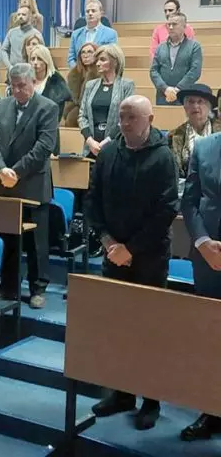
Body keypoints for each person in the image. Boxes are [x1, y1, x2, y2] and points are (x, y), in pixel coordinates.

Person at [87, 95, 178, 430]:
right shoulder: (109, 152)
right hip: (113, 254)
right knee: (118, 327)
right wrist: (108, 242)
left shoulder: (163, 157)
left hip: (150, 258)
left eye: (132, 118)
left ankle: (151, 400)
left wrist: (131, 249)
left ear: (149, 119)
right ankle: (122, 393)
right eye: (122, 117)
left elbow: (166, 211)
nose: (125, 124)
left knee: (149, 331)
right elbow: (92, 201)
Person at [0, 63, 58, 309]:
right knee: (7, 238)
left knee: (37, 243)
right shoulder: (1, 106)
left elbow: (44, 147)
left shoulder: (47, 107)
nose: (17, 91)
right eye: (13, 86)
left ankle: (38, 289)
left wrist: (15, 172)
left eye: (22, 86)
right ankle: (8, 285)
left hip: (33, 183)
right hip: (4, 183)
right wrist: (1, 170)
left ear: (33, 83)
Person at [180, 131, 221, 441]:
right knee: (211, 339)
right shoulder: (204, 147)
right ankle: (211, 411)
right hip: (208, 258)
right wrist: (202, 241)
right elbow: (189, 201)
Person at [78, 45, 134, 158]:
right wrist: (90, 141)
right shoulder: (90, 85)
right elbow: (82, 116)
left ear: (115, 62)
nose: (98, 63)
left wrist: (107, 141)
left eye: (103, 60)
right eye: (97, 60)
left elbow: (126, 118)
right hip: (91, 147)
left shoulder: (126, 85)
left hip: (116, 147)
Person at [168, 84, 220, 179]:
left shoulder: (219, 131)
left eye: (200, 102)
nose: (195, 106)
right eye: (190, 102)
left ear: (209, 107)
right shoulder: (173, 136)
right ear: (185, 107)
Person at [150, 13, 202, 105]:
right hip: (163, 95)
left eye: (174, 24)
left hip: (184, 95)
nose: (170, 27)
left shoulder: (194, 46)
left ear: (184, 26)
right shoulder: (160, 47)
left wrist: (178, 89)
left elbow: (195, 71)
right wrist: (165, 88)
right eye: (168, 24)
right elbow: (154, 71)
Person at [28, 45, 71, 154]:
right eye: (32, 59)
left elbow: (56, 115)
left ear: (46, 60)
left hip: (48, 133)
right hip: (27, 134)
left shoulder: (57, 82)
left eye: (39, 58)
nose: (35, 62)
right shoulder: (25, 81)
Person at [68, 0, 118, 67]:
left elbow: (112, 58)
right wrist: (78, 70)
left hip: (101, 71)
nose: (90, 13)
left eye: (93, 11)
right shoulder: (75, 34)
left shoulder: (111, 34)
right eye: (87, 11)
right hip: (80, 71)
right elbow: (71, 59)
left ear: (101, 13)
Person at [64, 42, 99, 127]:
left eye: (90, 52)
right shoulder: (73, 74)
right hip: (75, 110)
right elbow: (71, 99)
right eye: (83, 52)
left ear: (97, 54)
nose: (86, 55)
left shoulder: (100, 73)